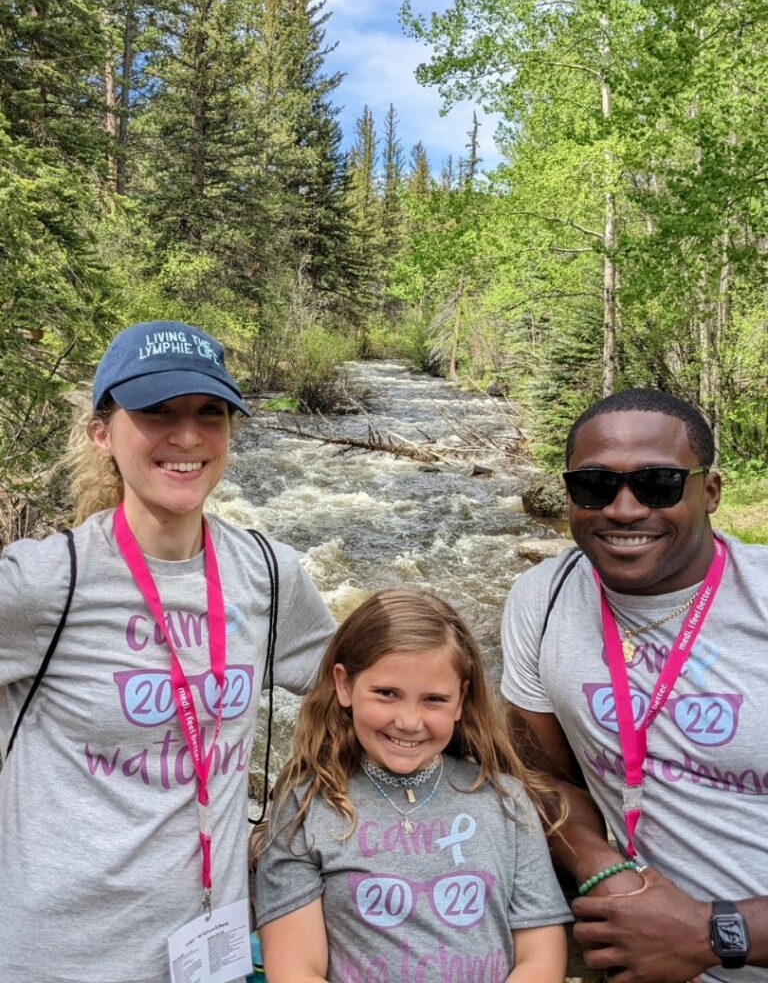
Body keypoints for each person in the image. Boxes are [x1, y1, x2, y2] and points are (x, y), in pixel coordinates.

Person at [0, 320, 336, 983]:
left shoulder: (271, 575)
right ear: (103, 433)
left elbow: (360, 692)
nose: (186, 437)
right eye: (157, 412)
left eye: (209, 413)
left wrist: (306, 819)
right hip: (59, 956)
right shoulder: (45, 581)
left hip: (207, 949)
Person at [501, 387, 768, 983]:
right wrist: (605, 871)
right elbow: (538, 774)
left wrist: (711, 931)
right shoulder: (541, 600)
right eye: (594, 486)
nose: (622, 509)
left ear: (712, 492)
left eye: (659, 484)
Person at [255, 589, 572, 983]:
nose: (408, 720)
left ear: (461, 701)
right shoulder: (306, 806)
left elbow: (540, 955)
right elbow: (296, 969)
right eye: (387, 694)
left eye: (434, 699)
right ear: (344, 684)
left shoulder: (506, 800)